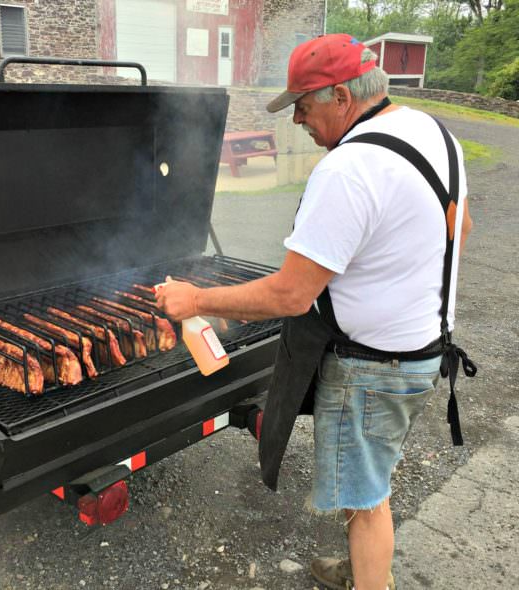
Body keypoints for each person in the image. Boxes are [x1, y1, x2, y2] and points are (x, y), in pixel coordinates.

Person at [156, 34, 474, 590]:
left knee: (366, 498)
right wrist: (397, 280)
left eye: (303, 105)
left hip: (374, 368)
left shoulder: (348, 170)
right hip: (425, 349)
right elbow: (459, 231)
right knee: (372, 475)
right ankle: (362, 565)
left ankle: (370, 579)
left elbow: (289, 296)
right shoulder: (431, 132)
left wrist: (196, 300)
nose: (298, 119)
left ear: (343, 98)